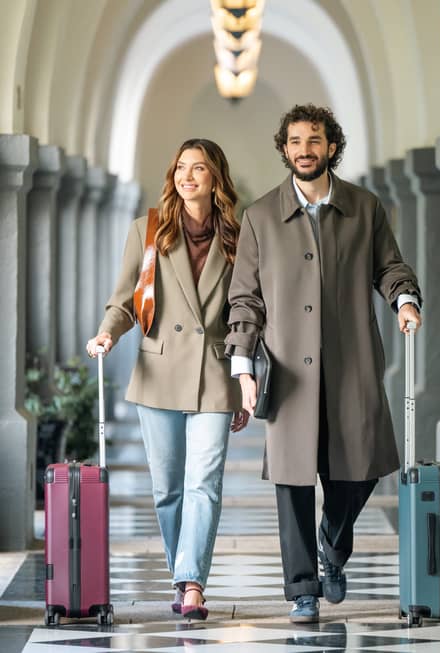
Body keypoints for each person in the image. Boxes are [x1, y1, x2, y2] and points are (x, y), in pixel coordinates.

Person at [224, 104, 422, 623]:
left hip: (352, 363)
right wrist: (242, 362)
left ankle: (332, 550)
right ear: (284, 148)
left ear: (331, 146)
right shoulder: (260, 216)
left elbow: (390, 266)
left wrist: (404, 300)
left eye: (314, 140)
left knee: (357, 472)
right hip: (288, 371)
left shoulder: (364, 207)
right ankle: (302, 587)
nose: (304, 150)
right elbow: (245, 298)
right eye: (294, 141)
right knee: (292, 483)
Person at [87, 138, 249, 621]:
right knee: (168, 489)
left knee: (205, 483)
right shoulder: (148, 230)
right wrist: (107, 334)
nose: (188, 176)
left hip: (216, 373)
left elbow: (247, 311)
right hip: (158, 370)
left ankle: (193, 582)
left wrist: (245, 372)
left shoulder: (239, 236)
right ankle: (182, 574)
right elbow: (124, 300)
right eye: (181, 167)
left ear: (216, 178)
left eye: (199, 168)